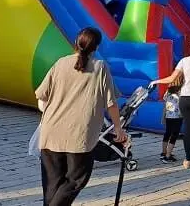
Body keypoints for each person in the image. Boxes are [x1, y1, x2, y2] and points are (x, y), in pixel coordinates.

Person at [35, 27, 127, 205]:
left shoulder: (60, 63)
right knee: (76, 180)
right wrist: (118, 128)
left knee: (53, 184)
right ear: (96, 47)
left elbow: (41, 95)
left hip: (51, 132)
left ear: (76, 43)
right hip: (79, 135)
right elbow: (111, 103)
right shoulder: (100, 67)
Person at [151, 40, 190, 169]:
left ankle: (187, 160)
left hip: (185, 98)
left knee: (188, 129)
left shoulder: (184, 61)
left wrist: (157, 81)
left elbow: (172, 78)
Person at [161, 78, 183, 163]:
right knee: (174, 136)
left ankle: (163, 152)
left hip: (168, 116)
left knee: (167, 134)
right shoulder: (180, 93)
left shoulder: (168, 92)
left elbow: (165, 105)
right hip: (177, 116)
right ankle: (168, 156)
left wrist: (163, 117)